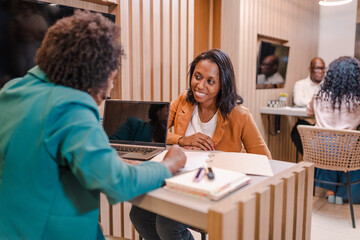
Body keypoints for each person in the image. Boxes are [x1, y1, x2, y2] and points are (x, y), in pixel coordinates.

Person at [0, 11, 186, 239]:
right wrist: (169, 164)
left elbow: (42, 157)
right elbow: (119, 183)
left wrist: (105, 159)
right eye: (112, 79)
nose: (109, 91)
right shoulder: (72, 107)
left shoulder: (12, 90)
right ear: (94, 73)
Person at [130, 49, 271, 240]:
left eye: (210, 81)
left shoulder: (240, 115)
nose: (200, 85)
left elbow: (265, 160)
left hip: (213, 190)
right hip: (177, 183)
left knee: (167, 224)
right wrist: (181, 139)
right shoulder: (183, 101)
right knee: (138, 214)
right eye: (197, 76)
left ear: (222, 85)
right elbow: (153, 131)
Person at [307, 56, 360, 204]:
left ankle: (330, 191)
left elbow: (309, 112)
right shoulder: (356, 101)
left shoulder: (318, 95)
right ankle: (343, 194)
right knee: (348, 148)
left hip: (319, 151)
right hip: (346, 153)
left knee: (329, 144)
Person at [291, 57, 326, 155]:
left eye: (322, 68)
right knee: (296, 134)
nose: (320, 71)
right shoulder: (300, 84)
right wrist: (319, 102)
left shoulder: (327, 85)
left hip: (323, 125)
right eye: (317, 68)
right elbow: (298, 101)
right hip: (306, 122)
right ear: (310, 69)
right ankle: (312, 162)